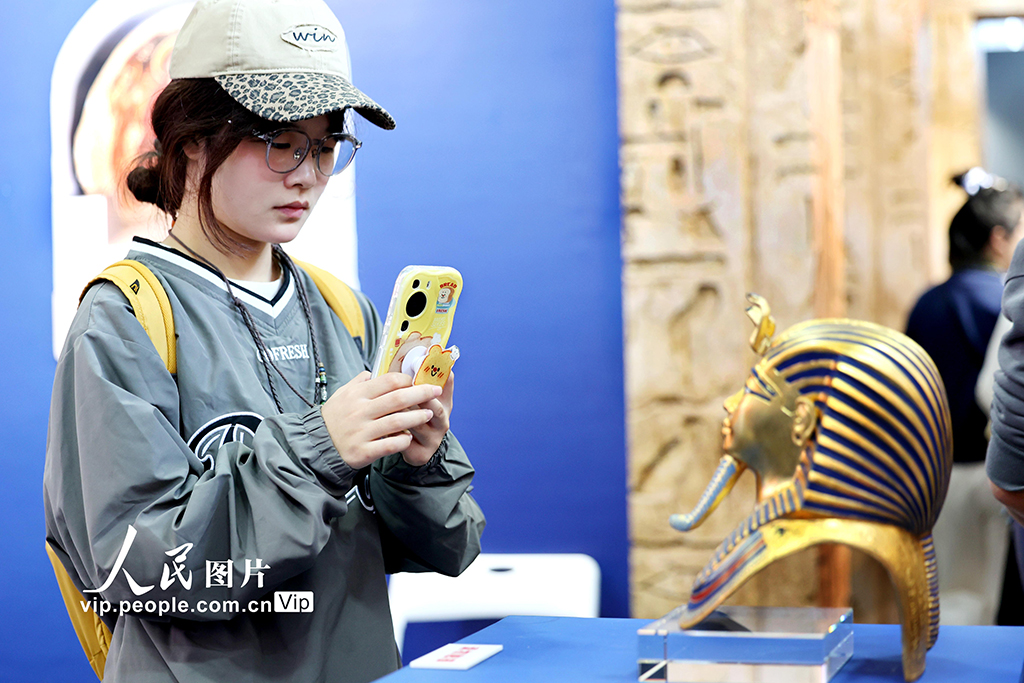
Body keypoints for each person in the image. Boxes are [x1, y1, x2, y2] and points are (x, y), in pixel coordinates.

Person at [43, 1, 485, 681]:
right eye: (282, 140)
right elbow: (140, 570)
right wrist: (321, 450)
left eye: (328, 145)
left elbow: (450, 548)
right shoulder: (125, 318)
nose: (308, 173)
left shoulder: (344, 311)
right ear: (190, 137)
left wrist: (414, 466)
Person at [906, 168, 1024, 625]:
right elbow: (995, 390)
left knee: (947, 596)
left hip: (935, 477)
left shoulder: (926, 303)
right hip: (994, 472)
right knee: (994, 602)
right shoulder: (1003, 300)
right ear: (997, 239)